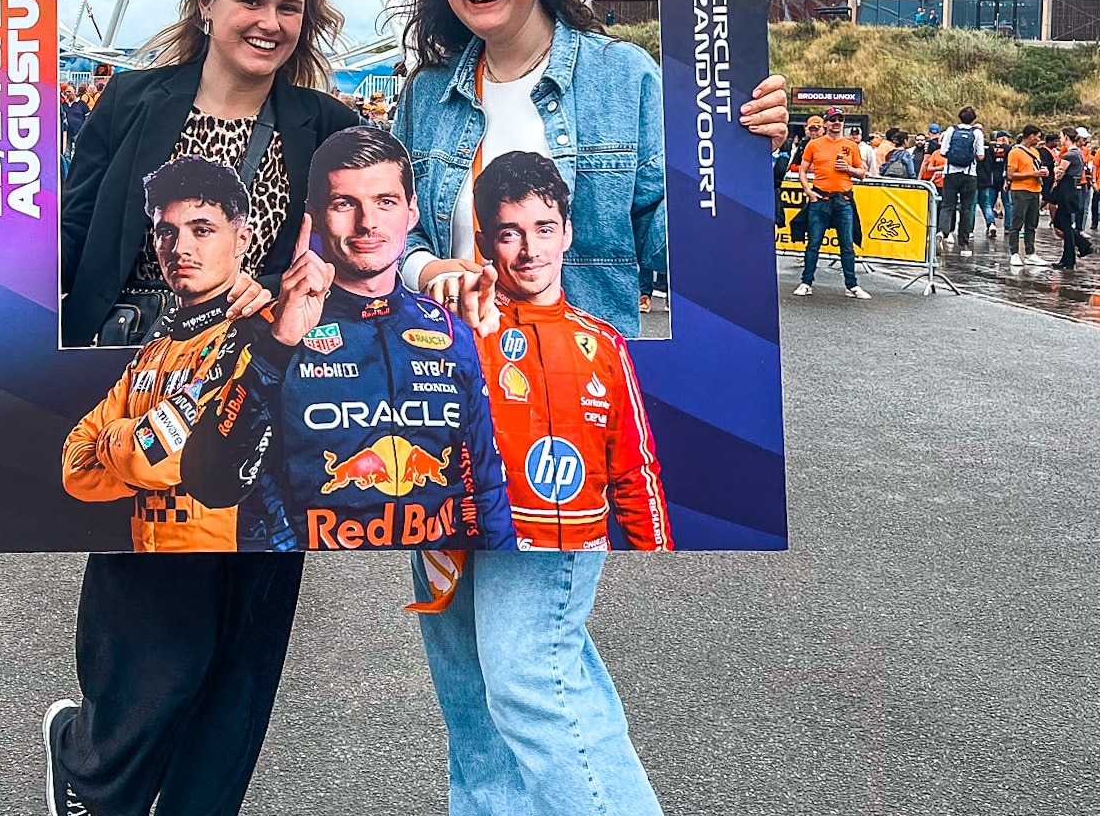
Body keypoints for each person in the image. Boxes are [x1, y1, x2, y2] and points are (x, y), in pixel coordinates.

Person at [388, 0, 788, 816]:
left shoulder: (620, 80)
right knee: (472, 683)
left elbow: (694, 237)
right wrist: (419, 273)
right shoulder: (427, 95)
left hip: (563, 435)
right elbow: (398, 234)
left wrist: (750, 149)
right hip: (443, 429)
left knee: (536, 682)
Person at [0, 0, 356, 816]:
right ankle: (90, 753)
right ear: (211, 3)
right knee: (149, 639)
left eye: (290, 10)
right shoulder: (133, 98)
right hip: (126, 376)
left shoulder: (323, 124)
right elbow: (63, 220)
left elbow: (367, 247)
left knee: (246, 650)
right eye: (253, 1)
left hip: (264, 389)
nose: (270, 22)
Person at [180, 126, 517, 553]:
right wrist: (279, 346)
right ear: (315, 216)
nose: (367, 223)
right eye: (345, 204)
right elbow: (209, 482)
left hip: (432, 579)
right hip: (314, 592)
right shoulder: (263, 326)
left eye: (385, 202)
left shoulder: (448, 330)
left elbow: (486, 493)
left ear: (411, 212)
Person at [461, 148, 670, 550]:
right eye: (509, 233)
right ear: (484, 243)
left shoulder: (606, 343)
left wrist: (659, 558)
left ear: (566, 233)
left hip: (581, 558)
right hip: (487, 555)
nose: (530, 250)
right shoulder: (462, 337)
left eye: (544, 229)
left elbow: (634, 473)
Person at [61, 156, 266, 550]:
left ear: (242, 238)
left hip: (228, 565)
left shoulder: (251, 338)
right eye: (166, 232)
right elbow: (74, 469)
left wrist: (116, 438)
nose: (180, 249)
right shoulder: (153, 350)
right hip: (144, 557)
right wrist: (137, 446)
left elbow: (145, 458)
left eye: (202, 230)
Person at [796, 110, 870, 298]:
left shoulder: (851, 146)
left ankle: (851, 285)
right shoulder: (814, 145)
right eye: (832, 120)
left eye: (840, 119)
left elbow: (862, 173)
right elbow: (802, 170)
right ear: (826, 123)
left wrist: (849, 169)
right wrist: (808, 191)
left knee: (846, 244)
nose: (837, 123)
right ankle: (806, 282)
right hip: (820, 198)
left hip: (843, 199)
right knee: (813, 243)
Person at [936, 108, 984, 253]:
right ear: (974, 119)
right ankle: (964, 243)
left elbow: (943, 152)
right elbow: (980, 156)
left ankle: (942, 232)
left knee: (947, 205)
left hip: (950, 173)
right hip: (969, 175)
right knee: (966, 208)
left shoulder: (951, 130)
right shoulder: (977, 133)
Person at [1048, 127, 1093, 270]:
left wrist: (1055, 171)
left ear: (1066, 137)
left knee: (1064, 225)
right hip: (1072, 190)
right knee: (1061, 224)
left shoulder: (1070, 155)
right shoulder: (1078, 153)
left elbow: (1059, 173)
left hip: (1067, 191)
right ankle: (1079, 248)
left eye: (1061, 136)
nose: (1060, 139)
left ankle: (1072, 255)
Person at [1004, 125, 1045, 270]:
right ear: (1031, 136)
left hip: (1035, 190)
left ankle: (1030, 253)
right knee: (1017, 222)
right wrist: (1031, 175)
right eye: (1037, 136)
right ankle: (1014, 253)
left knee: (1032, 223)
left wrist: (1041, 173)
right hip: (1020, 190)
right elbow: (1011, 175)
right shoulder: (1015, 152)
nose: (1039, 140)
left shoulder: (1035, 152)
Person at [977, 130, 1008, 243]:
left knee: (981, 204)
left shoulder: (984, 148)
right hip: (994, 178)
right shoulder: (998, 148)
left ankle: (970, 230)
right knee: (1003, 204)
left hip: (983, 178)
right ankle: (999, 225)